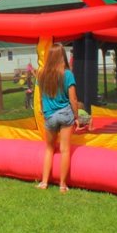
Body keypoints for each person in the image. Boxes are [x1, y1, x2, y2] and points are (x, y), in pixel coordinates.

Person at [36, 43, 79, 193]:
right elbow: (73, 99)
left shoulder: (41, 74)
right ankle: (62, 185)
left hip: (50, 116)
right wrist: (77, 116)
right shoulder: (67, 74)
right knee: (65, 150)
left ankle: (44, 182)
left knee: (49, 149)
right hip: (65, 114)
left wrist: (43, 110)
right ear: (63, 57)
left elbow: (41, 97)